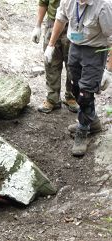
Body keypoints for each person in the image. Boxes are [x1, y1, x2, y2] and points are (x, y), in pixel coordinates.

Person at [44, 0, 112, 156]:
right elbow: (60, 18)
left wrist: (109, 70)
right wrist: (51, 45)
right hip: (75, 45)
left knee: (86, 94)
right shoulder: (68, 0)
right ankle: (92, 122)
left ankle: (82, 131)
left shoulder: (104, 6)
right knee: (75, 87)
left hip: (95, 50)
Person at [32, 0, 78, 113]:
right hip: (52, 23)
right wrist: (37, 25)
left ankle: (72, 96)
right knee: (51, 62)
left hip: (75, 24)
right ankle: (52, 98)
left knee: (74, 63)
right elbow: (43, 2)